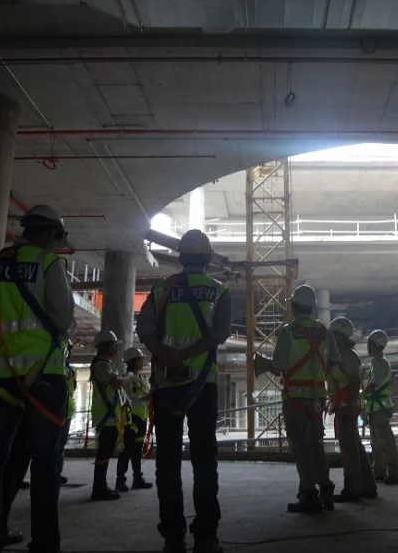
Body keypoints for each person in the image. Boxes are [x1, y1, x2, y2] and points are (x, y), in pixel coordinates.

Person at [0, 204, 76, 553]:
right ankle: (45, 542)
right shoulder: (49, 264)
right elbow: (62, 320)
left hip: (0, 375)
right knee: (45, 461)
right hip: (44, 374)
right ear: (50, 234)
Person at [137, 229, 231, 553]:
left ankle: (173, 536)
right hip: (202, 384)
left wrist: (165, 356)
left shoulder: (162, 288)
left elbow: (144, 328)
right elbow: (219, 333)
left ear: (180, 257)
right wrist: (187, 355)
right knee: (205, 461)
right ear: (207, 259)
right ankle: (206, 536)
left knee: (167, 464)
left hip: (166, 385)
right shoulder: (219, 290)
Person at [272, 284, 340, 514]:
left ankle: (310, 494)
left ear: (293, 306)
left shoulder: (288, 332)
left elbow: (278, 366)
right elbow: (334, 361)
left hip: (295, 399)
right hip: (317, 398)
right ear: (312, 307)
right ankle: (326, 489)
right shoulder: (325, 332)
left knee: (301, 448)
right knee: (316, 446)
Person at [327, 317, 378, 502]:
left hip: (346, 408)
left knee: (348, 450)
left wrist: (348, 405)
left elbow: (354, 381)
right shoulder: (342, 355)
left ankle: (353, 488)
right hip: (344, 407)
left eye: (333, 336)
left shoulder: (348, 355)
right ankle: (368, 486)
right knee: (355, 447)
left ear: (340, 336)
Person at [90, 330, 133, 501]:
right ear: (104, 346)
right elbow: (116, 383)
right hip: (105, 419)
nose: (116, 347)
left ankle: (101, 486)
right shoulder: (101, 366)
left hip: (111, 418)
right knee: (104, 453)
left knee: (105, 453)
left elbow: (116, 390)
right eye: (113, 344)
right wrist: (129, 374)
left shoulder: (106, 365)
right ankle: (98, 488)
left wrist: (126, 400)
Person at [364, 330, 398, 485]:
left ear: (376, 344)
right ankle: (379, 472)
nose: (368, 346)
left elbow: (374, 385)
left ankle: (394, 474)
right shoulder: (377, 362)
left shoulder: (381, 363)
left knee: (386, 443)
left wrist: (360, 394)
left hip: (380, 409)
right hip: (375, 409)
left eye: (370, 343)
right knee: (376, 444)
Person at [116, 347, 153, 492]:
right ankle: (120, 481)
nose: (142, 361)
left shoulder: (141, 379)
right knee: (126, 451)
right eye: (140, 359)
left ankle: (137, 478)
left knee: (137, 451)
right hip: (130, 420)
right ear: (132, 361)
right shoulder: (127, 378)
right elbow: (131, 398)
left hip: (141, 418)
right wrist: (147, 398)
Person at [57, 340, 77, 485]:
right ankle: (52, 473)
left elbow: (72, 389)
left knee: (61, 444)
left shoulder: (71, 369)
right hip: (55, 411)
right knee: (53, 444)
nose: (70, 351)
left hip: (67, 411)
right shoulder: (55, 365)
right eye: (68, 348)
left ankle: (57, 472)